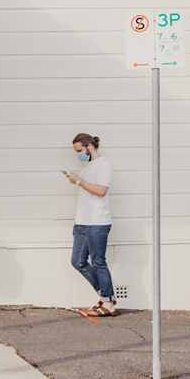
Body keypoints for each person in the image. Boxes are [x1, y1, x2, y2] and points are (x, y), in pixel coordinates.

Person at [64, 133, 116, 317]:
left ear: (89, 146)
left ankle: (108, 303)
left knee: (98, 262)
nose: (78, 154)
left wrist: (78, 181)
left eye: (79, 150)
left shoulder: (103, 165)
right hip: (82, 223)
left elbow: (101, 191)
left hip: (97, 222)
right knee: (77, 261)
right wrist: (78, 179)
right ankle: (104, 296)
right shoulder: (89, 166)